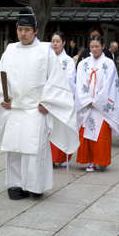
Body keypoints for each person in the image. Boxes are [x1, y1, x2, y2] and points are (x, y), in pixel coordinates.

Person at [0, 6, 79, 200]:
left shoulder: (46, 50)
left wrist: (49, 102)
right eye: (20, 29)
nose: (23, 33)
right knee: (14, 149)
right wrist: (3, 96)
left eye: (27, 30)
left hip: (36, 108)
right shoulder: (10, 50)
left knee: (34, 150)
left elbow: (56, 80)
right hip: (15, 107)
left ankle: (35, 186)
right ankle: (15, 184)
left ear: (36, 30)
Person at [75, 35, 119, 171]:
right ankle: (90, 160)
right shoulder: (83, 63)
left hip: (101, 106)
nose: (94, 49)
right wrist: (87, 100)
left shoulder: (109, 63)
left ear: (103, 46)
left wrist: (97, 100)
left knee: (101, 134)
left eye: (97, 46)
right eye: (92, 46)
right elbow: (80, 83)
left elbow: (110, 85)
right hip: (87, 105)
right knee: (86, 132)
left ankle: (100, 160)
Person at [50, 31, 76, 167]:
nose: (55, 44)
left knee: (60, 128)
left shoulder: (68, 61)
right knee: (49, 128)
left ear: (63, 43)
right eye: (53, 41)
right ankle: (50, 158)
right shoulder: (47, 58)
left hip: (62, 98)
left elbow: (71, 80)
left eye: (57, 41)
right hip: (48, 98)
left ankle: (59, 157)